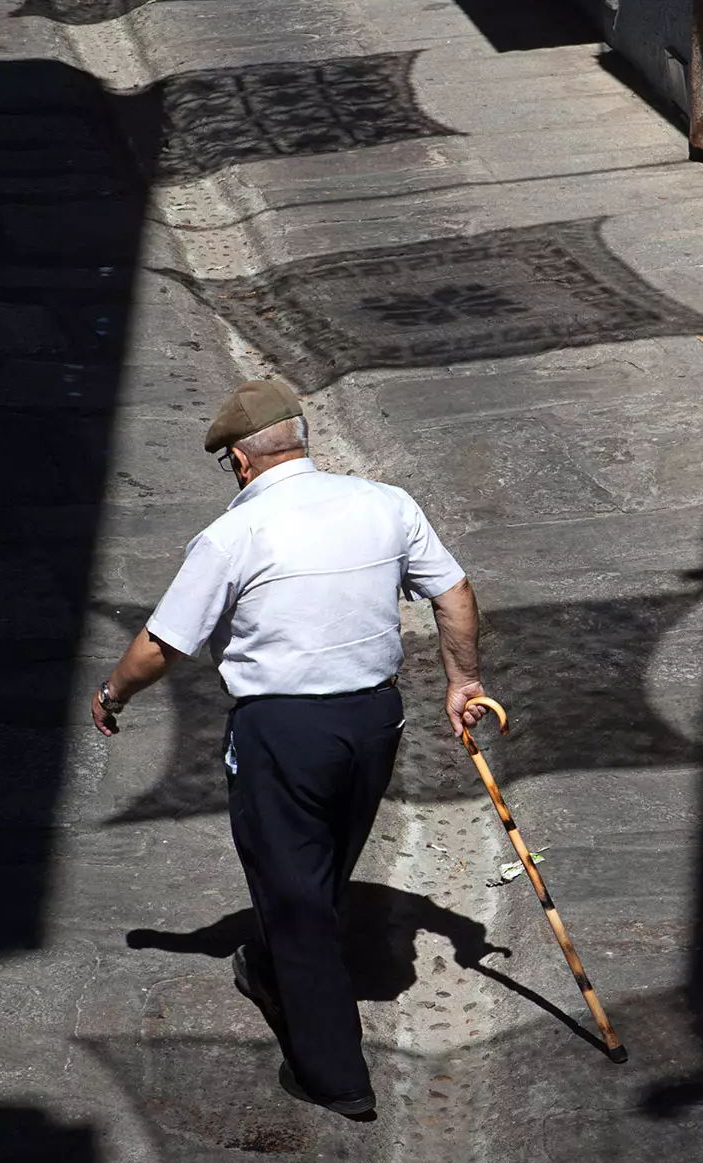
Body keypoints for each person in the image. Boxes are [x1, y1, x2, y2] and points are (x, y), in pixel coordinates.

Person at [91, 375, 484, 1120]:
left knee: (299, 898)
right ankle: (269, 964)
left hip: (283, 731)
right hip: (374, 722)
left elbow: (159, 646)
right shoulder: (384, 504)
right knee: (321, 866)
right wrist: (462, 682)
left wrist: (112, 695)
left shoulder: (235, 535)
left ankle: (334, 1073)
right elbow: (453, 592)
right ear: (301, 443)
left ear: (239, 461)